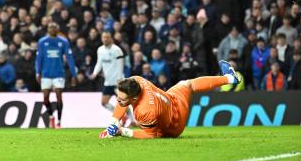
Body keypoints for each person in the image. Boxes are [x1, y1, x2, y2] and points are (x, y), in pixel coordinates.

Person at [100, 60, 240, 139]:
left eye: (122, 99)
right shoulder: (136, 80)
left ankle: (229, 78)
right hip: (169, 98)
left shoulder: (146, 111)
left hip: (174, 122)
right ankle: (229, 78)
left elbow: (153, 135)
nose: (118, 100)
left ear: (134, 98)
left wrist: (121, 131)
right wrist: (113, 123)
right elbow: (123, 99)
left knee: (187, 85)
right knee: (187, 84)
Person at [35, 22, 77, 128]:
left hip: (58, 73)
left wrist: (74, 74)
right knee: (45, 98)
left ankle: (59, 121)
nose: (52, 29)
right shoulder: (42, 42)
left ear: (57, 29)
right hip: (46, 74)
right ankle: (51, 117)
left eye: (54, 27)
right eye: (50, 27)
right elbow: (39, 59)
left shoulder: (63, 42)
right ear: (47, 29)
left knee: (58, 95)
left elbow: (69, 58)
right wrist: (37, 72)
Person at [89, 32, 124, 113]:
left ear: (111, 38)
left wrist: (119, 80)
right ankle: (119, 115)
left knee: (123, 103)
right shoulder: (100, 50)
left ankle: (132, 120)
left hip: (117, 82)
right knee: (104, 102)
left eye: (107, 37)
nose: (105, 39)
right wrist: (95, 73)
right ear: (101, 38)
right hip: (108, 82)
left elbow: (120, 66)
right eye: (104, 37)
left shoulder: (117, 50)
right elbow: (99, 63)